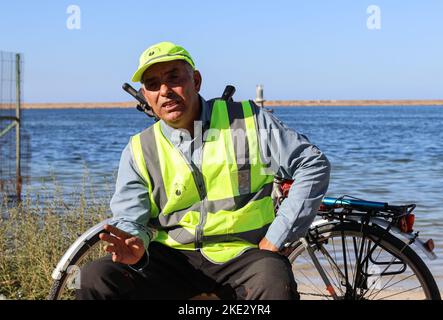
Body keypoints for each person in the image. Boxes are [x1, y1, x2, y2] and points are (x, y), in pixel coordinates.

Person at [76, 41, 331, 300]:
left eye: (174, 78)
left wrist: (276, 238)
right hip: (173, 259)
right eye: (153, 84)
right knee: (94, 277)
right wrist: (136, 244)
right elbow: (130, 217)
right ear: (145, 95)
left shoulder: (248, 120)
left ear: (196, 80)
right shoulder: (140, 148)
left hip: (245, 254)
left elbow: (312, 164)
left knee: (274, 279)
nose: (165, 91)